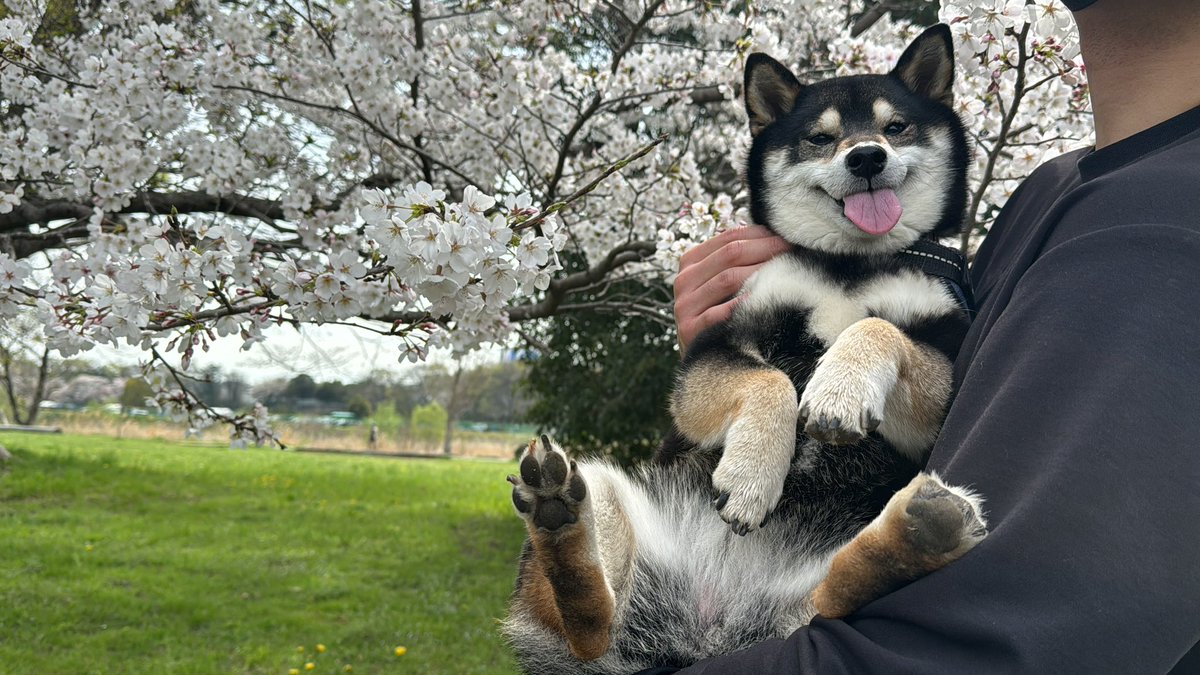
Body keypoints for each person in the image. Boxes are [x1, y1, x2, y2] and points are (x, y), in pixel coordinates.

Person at [662, 0, 1200, 672]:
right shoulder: (1053, 191)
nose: (863, 149)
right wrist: (743, 353)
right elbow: (953, 427)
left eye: (893, 131)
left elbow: (1007, 646)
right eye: (825, 140)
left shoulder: (1167, 217)